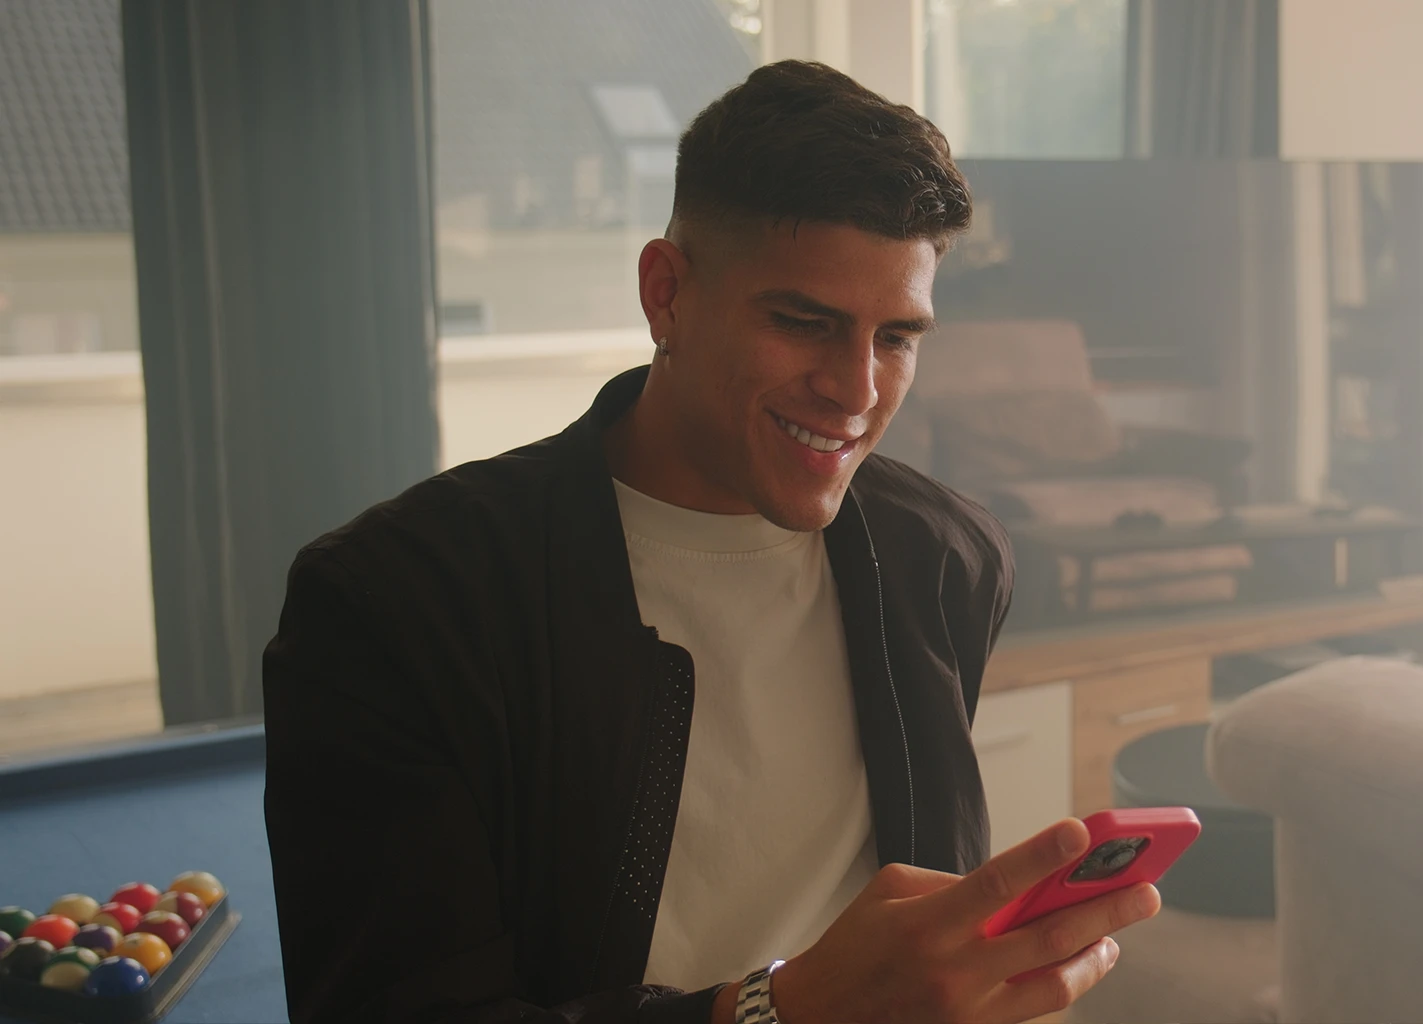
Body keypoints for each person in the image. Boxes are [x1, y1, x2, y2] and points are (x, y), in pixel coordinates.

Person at [262, 61, 1159, 1023]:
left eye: (896, 337)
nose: (856, 392)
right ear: (666, 294)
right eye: (803, 322)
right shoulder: (397, 603)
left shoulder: (947, 557)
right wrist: (780, 1010)